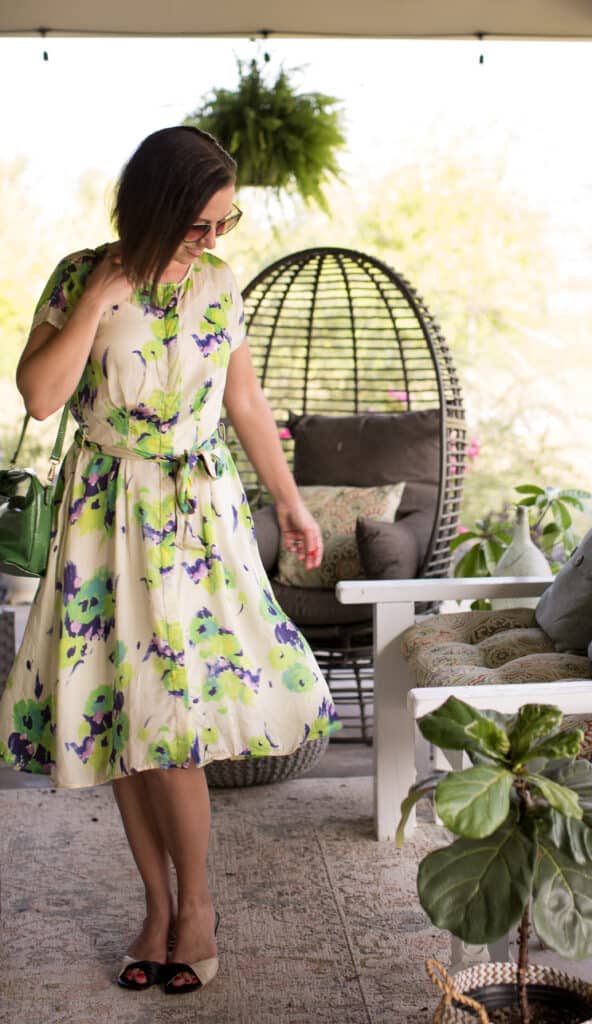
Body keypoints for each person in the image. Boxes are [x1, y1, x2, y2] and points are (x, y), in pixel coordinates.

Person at [0, 126, 340, 995]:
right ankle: (155, 908)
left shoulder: (220, 285)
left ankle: (197, 910)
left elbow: (245, 401)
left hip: (194, 519)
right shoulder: (82, 276)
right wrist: (98, 299)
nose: (215, 240)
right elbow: (40, 397)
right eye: (200, 224)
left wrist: (292, 503)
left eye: (226, 223)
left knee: (173, 724)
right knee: (124, 721)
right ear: (154, 208)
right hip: (101, 512)